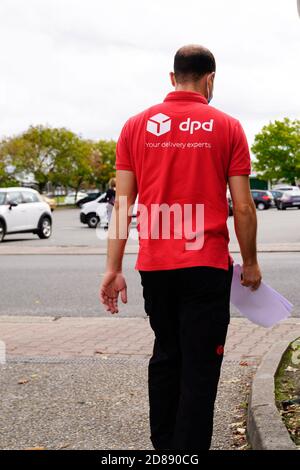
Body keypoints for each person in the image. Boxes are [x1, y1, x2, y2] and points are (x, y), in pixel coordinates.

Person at [100, 44, 262, 450]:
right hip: (206, 268)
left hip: (155, 267)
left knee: (167, 357)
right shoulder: (227, 126)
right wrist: (251, 262)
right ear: (210, 79)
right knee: (201, 367)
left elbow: (122, 204)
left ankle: (165, 449)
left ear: (172, 78)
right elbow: (243, 206)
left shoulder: (135, 126)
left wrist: (113, 268)